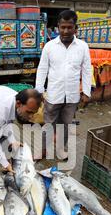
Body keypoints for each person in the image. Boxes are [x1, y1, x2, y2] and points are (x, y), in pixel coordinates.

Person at [35, 10, 92, 159]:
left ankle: (60, 150)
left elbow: (86, 70)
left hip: (72, 96)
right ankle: (43, 150)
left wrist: (87, 92)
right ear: (58, 27)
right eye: (62, 27)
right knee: (49, 124)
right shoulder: (49, 46)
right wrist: (39, 91)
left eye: (69, 27)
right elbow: (42, 69)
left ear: (75, 28)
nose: (66, 31)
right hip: (54, 94)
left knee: (66, 126)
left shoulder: (82, 46)